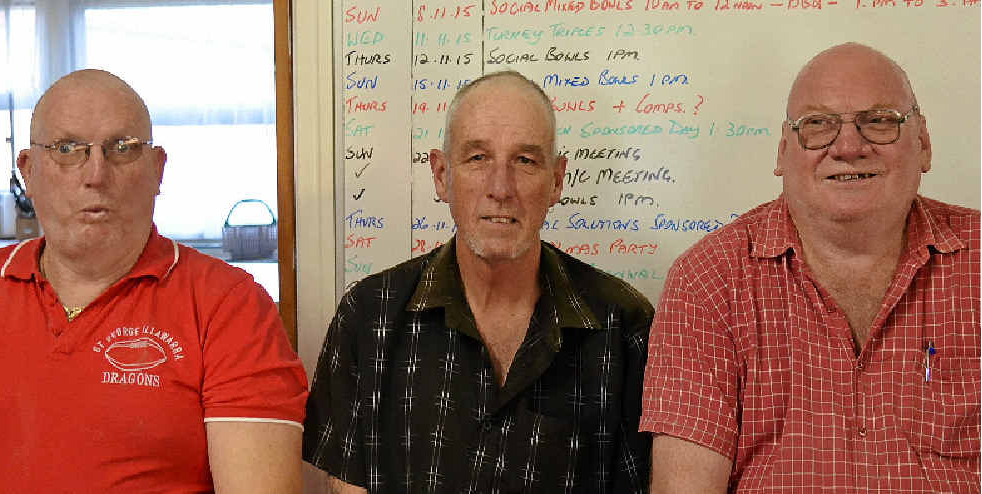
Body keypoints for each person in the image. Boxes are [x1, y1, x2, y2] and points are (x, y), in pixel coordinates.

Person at [640, 42, 980, 493]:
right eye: (818, 125)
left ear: (924, 145)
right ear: (782, 154)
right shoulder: (707, 281)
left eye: (879, 121)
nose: (849, 146)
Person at [0, 70, 308, 492]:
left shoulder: (229, 305)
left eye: (122, 148)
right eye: (68, 149)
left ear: (158, 169)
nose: (96, 174)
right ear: (28, 173)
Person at [303, 71, 654, 493]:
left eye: (525, 161)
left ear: (557, 179)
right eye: (477, 158)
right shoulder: (367, 318)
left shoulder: (624, 327)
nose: (500, 188)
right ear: (441, 174)